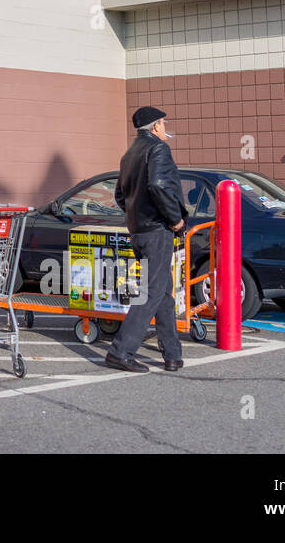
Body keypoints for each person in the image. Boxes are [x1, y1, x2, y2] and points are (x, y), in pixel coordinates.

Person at [103, 106, 186, 373]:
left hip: (139, 231)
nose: (165, 127)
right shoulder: (157, 149)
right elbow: (159, 185)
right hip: (157, 231)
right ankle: (120, 352)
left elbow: (120, 195)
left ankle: (172, 354)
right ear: (156, 126)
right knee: (152, 292)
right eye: (163, 123)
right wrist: (175, 219)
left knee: (162, 292)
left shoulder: (129, 154)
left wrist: (135, 216)